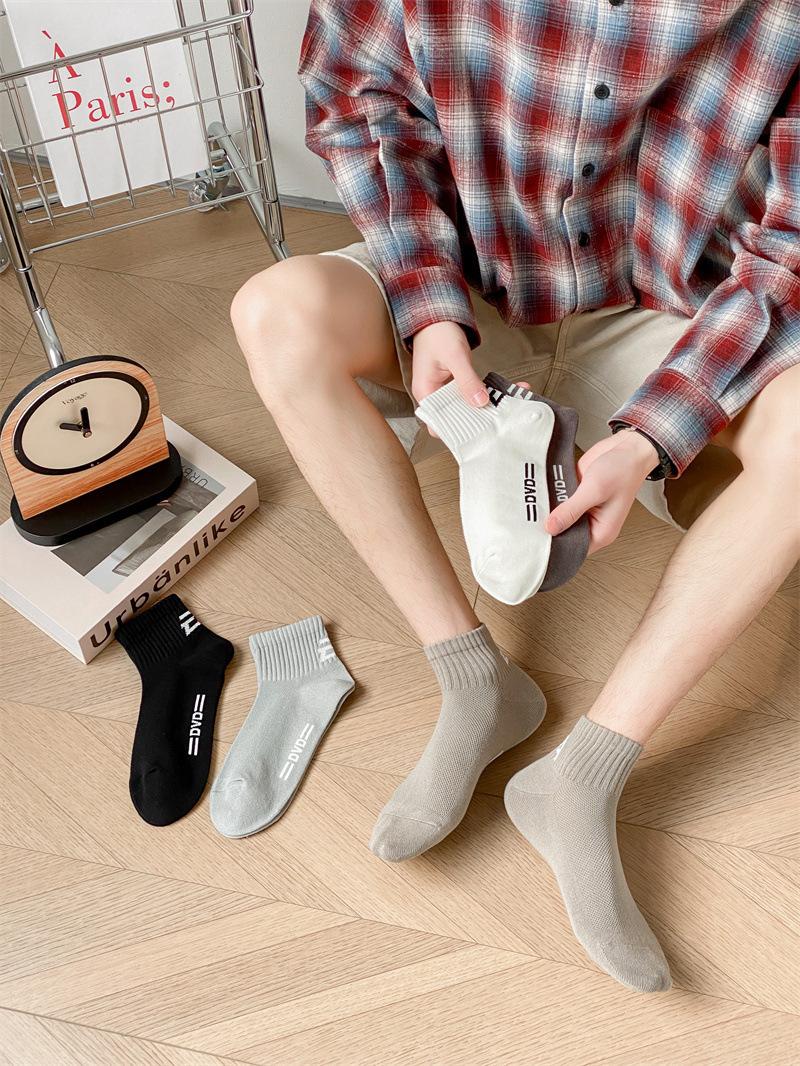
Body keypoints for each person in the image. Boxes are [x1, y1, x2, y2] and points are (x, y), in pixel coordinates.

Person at [230, 1, 800, 992]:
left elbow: (789, 249)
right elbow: (358, 95)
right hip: (474, 286)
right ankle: (473, 679)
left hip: (670, 311)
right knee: (274, 313)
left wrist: (650, 436)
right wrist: (426, 305)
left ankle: (582, 774)